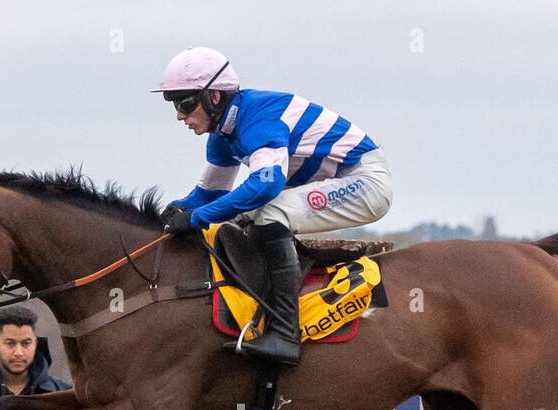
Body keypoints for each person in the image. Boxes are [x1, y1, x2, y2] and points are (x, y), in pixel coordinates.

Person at [153, 46, 394, 367]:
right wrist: (172, 212)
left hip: (367, 182)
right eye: (174, 104)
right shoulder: (222, 135)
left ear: (215, 97)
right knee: (247, 215)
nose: (179, 115)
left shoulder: (258, 121)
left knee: (268, 211)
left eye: (185, 102)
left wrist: (197, 218)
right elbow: (207, 195)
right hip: (327, 183)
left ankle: (284, 334)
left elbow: (266, 185)